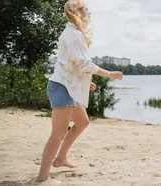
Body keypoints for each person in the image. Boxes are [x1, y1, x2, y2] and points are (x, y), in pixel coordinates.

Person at [37, 0, 123, 182]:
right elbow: (84, 64)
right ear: (76, 11)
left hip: (68, 86)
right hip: (62, 87)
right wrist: (109, 74)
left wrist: (85, 83)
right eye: (85, 8)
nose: (88, 11)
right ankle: (43, 178)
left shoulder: (74, 33)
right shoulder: (73, 35)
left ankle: (60, 159)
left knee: (82, 122)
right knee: (57, 134)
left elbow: (74, 66)